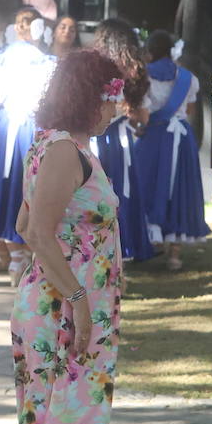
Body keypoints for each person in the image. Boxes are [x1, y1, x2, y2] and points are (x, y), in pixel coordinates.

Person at [7, 49, 126, 424]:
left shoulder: (65, 148)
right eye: (111, 98)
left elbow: (22, 219)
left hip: (71, 304)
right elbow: (35, 233)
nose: (115, 109)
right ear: (89, 98)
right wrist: (78, 300)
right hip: (61, 309)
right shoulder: (61, 151)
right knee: (47, 419)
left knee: (67, 415)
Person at [0, 7, 55, 281]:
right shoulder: (46, 61)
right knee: (30, 192)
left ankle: (14, 257)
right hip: (31, 128)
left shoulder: (1, 59)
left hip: (6, 125)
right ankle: (25, 257)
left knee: (8, 189)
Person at [133, 31, 210, 270]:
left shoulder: (144, 77)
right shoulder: (189, 78)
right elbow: (190, 111)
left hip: (154, 136)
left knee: (148, 185)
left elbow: (143, 116)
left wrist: (138, 128)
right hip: (181, 137)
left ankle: (153, 240)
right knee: (179, 188)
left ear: (149, 52)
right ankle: (175, 254)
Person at [88, 18, 156, 263]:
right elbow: (143, 117)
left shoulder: (91, 68)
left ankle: (98, 250)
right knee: (119, 191)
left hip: (96, 138)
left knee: (95, 192)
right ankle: (122, 248)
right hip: (119, 139)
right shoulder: (132, 71)